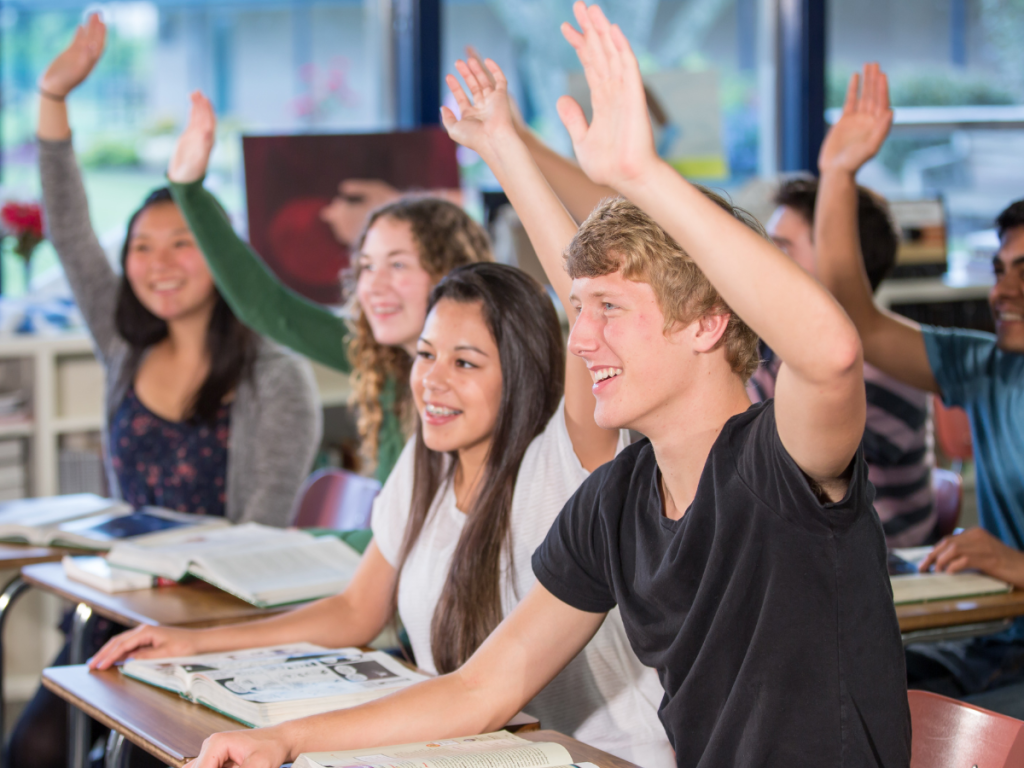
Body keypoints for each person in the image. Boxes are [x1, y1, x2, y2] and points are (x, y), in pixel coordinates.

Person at [167, 6, 910, 767]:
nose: (579, 339)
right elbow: (478, 689)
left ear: (707, 324)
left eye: (610, 313)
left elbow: (830, 353)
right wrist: (279, 739)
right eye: (578, 314)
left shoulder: (778, 461)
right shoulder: (617, 500)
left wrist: (639, 176)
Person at [91, 56, 677, 765]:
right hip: (483, 743)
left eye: (465, 363)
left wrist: (504, 148)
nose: (430, 379)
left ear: (521, 370)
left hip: (595, 755)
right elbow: (353, 611)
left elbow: (582, 297)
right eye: (426, 355)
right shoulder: (430, 462)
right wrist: (190, 644)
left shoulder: (566, 454)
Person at [10, 15, 322, 768]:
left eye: (184, 242)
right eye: (142, 247)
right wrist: (53, 97)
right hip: (113, 617)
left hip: (214, 637)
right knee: (32, 753)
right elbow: (70, 226)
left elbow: (258, 546)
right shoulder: (124, 345)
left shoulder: (275, 378)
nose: (160, 264)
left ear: (219, 254)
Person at [814, 62, 1024, 702]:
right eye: (999, 270)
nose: (1001, 290)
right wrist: (838, 174)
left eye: (1023, 272)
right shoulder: (986, 367)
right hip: (993, 643)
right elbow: (858, 320)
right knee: (840, 697)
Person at [168, 93, 492, 481]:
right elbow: (269, 309)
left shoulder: (480, 389)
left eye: (399, 264)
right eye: (367, 266)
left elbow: (418, 540)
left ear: (450, 273)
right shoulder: (386, 363)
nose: (374, 286)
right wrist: (188, 189)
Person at [748, 175, 936, 547]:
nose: (765, 259)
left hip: (879, 569)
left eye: (783, 247)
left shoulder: (881, 368)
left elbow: (777, 472)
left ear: (841, 260)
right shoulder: (781, 345)